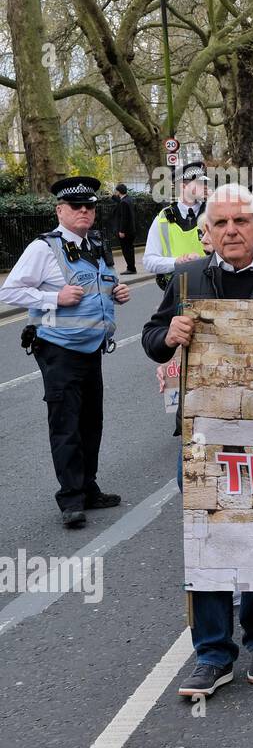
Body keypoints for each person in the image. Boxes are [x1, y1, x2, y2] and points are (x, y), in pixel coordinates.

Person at [141, 183, 253, 698]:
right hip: (205, 436)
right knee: (208, 538)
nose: (231, 231)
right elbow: (152, 340)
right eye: (220, 224)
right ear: (208, 232)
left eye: (240, 221)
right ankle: (213, 653)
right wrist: (168, 334)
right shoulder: (188, 277)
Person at [1, 177, 130, 528]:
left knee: (91, 423)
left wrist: (115, 293)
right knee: (66, 425)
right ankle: (71, 499)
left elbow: (98, 285)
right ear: (60, 210)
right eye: (77, 207)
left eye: (90, 206)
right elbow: (9, 290)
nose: (85, 212)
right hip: (58, 350)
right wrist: (52, 298)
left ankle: (88, 488)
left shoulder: (97, 244)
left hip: (91, 350)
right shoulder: (44, 248)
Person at [143, 159, 208, 288]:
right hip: (176, 290)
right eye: (200, 183)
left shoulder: (212, 213)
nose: (205, 186)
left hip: (209, 285)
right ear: (183, 186)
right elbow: (149, 261)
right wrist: (177, 261)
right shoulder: (162, 219)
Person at [110, 184, 137, 274]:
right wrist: (112, 197)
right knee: (130, 249)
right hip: (131, 230)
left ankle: (131, 268)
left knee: (126, 250)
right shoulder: (128, 199)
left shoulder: (124, 203)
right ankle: (132, 267)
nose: (115, 192)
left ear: (119, 191)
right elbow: (120, 201)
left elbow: (124, 218)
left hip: (125, 232)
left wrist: (122, 231)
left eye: (116, 191)